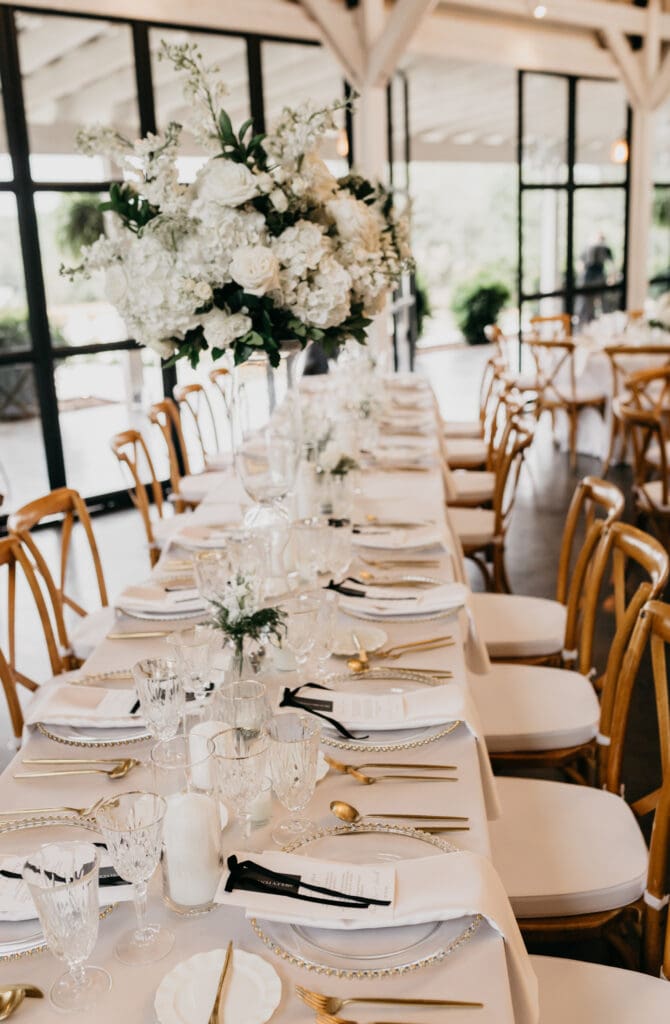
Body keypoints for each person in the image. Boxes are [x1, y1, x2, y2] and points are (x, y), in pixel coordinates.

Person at [576, 231, 614, 325]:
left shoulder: (589, 247)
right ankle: (593, 323)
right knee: (595, 305)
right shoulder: (601, 248)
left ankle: (591, 323)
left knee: (594, 305)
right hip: (594, 278)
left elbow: (579, 265)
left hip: (592, 278)